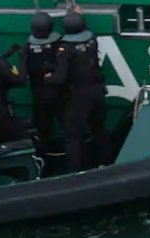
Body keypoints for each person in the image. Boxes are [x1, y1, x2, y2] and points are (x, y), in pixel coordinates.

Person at [53, 12, 112, 172]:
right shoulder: (92, 39)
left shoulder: (66, 48)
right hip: (97, 92)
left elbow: (59, 78)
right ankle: (107, 163)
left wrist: (47, 77)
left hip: (79, 97)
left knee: (73, 136)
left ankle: (75, 172)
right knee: (99, 128)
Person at [22, 12, 62, 152]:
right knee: (69, 129)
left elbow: (23, 73)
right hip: (59, 94)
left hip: (39, 96)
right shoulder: (59, 43)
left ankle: (43, 160)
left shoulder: (27, 47)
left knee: (42, 131)